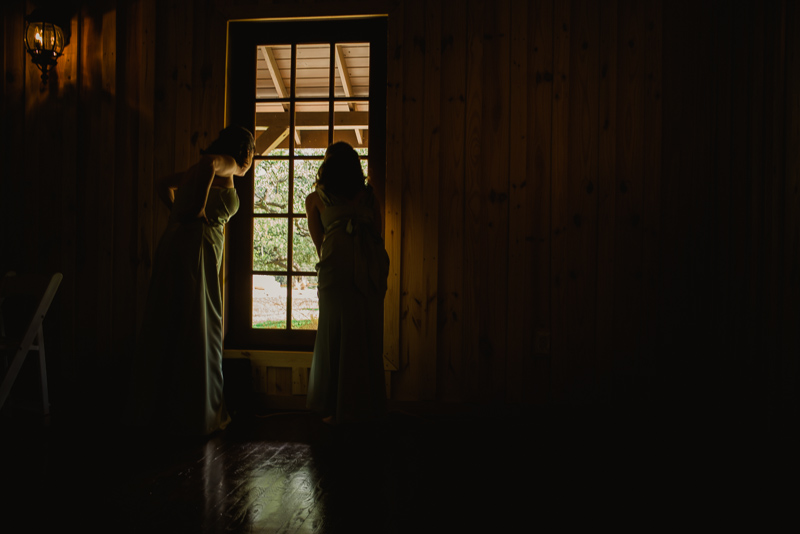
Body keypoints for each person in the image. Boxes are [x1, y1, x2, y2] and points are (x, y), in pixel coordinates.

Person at [129, 126, 255, 436]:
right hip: (197, 247)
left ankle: (157, 411)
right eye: (252, 153)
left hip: (175, 241)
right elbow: (211, 164)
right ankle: (197, 414)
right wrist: (197, 208)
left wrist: (178, 213)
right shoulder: (229, 164)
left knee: (168, 320)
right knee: (200, 324)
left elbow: (162, 184)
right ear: (245, 152)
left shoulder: (194, 171)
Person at [305, 141, 390, 425]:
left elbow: (320, 243)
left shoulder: (317, 198)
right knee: (366, 331)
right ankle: (365, 406)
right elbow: (378, 233)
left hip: (337, 263)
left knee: (335, 331)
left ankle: (334, 406)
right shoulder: (369, 197)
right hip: (371, 263)